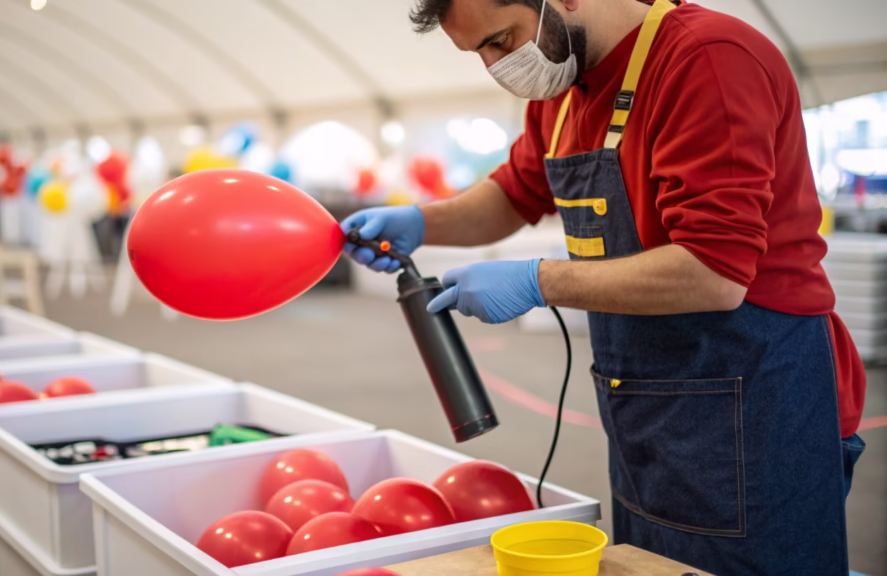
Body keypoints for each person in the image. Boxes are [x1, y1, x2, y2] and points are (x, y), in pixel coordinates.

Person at [341, 0, 866, 574]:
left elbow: (714, 272)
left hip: (755, 398)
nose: (496, 66)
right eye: (478, 54)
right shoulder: (563, 84)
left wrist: (538, 280)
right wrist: (421, 222)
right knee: (647, 564)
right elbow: (514, 194)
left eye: (500, 40)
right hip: (645, 402)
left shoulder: (706, 59)